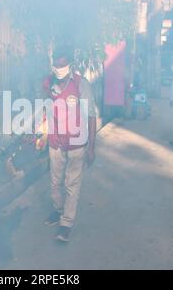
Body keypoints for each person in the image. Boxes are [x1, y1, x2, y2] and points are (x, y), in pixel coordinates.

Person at [42, 46, 97, 242]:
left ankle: (66, 223)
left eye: (62, 64)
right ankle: (58, 211)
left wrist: (91, 146)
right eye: (56, 64)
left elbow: (91, 116)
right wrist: (42, 133)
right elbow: (46, 109)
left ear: (70, 65)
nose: (59, 68)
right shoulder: (48, 83)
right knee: (55, 182)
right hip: (56, 141)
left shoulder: (81, 85)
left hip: (76, 144)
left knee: (71, 185)